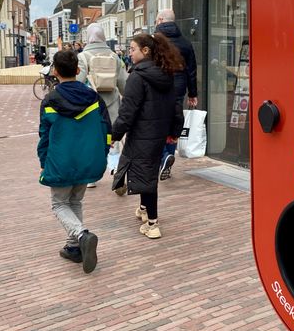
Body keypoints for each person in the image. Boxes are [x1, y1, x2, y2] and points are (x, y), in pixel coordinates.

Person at [37, 49, 111, 273]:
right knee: (75, 202)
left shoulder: (50, 100)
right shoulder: (95, 99)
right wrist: (102, 153)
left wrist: (43, 160)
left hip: (61, 161)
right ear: (78, 70)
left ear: (55, 72)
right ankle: (74, 247)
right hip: (88, 161)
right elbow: (107, 130)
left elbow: (45, 136)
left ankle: (81, 235)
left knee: (59, 203)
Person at [111, 33, 184, 239]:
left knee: (146, 175)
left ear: (146, 51)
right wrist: (175, 132)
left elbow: (128, 112)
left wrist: (114, 135)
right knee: (147, 170)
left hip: (141, 134)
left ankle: (152, 224)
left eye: (132, 49)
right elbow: (176, 106)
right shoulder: (166, 73)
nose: (129, 53)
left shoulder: (137, 76)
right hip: (158, 134)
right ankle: (143, 209)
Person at [77, 23, 128, 188]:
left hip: (90, 106)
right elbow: (124, 85)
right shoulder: (115, 57)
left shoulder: (82, 58)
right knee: (112, 137)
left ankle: (91, 178)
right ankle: (114, 167)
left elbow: (77, 82)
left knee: (91, 138)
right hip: (112, 104)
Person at [154, 9, 198, 180]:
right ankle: (168, 161)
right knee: (173, 123)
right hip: (178, 88)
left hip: (158, 86)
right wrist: (193, 93)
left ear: (161, 20)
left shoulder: (155, 42)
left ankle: (164, 156)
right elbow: (191, 70)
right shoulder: (186, 43)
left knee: (157, 124)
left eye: (157, 19)